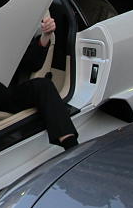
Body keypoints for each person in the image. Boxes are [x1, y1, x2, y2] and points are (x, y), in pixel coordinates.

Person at [7, 17, 79, 149]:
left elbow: (32, 63)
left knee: (44, 85)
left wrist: (46, 36)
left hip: (4, 92)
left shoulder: (12, 33)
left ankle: (71, 147)